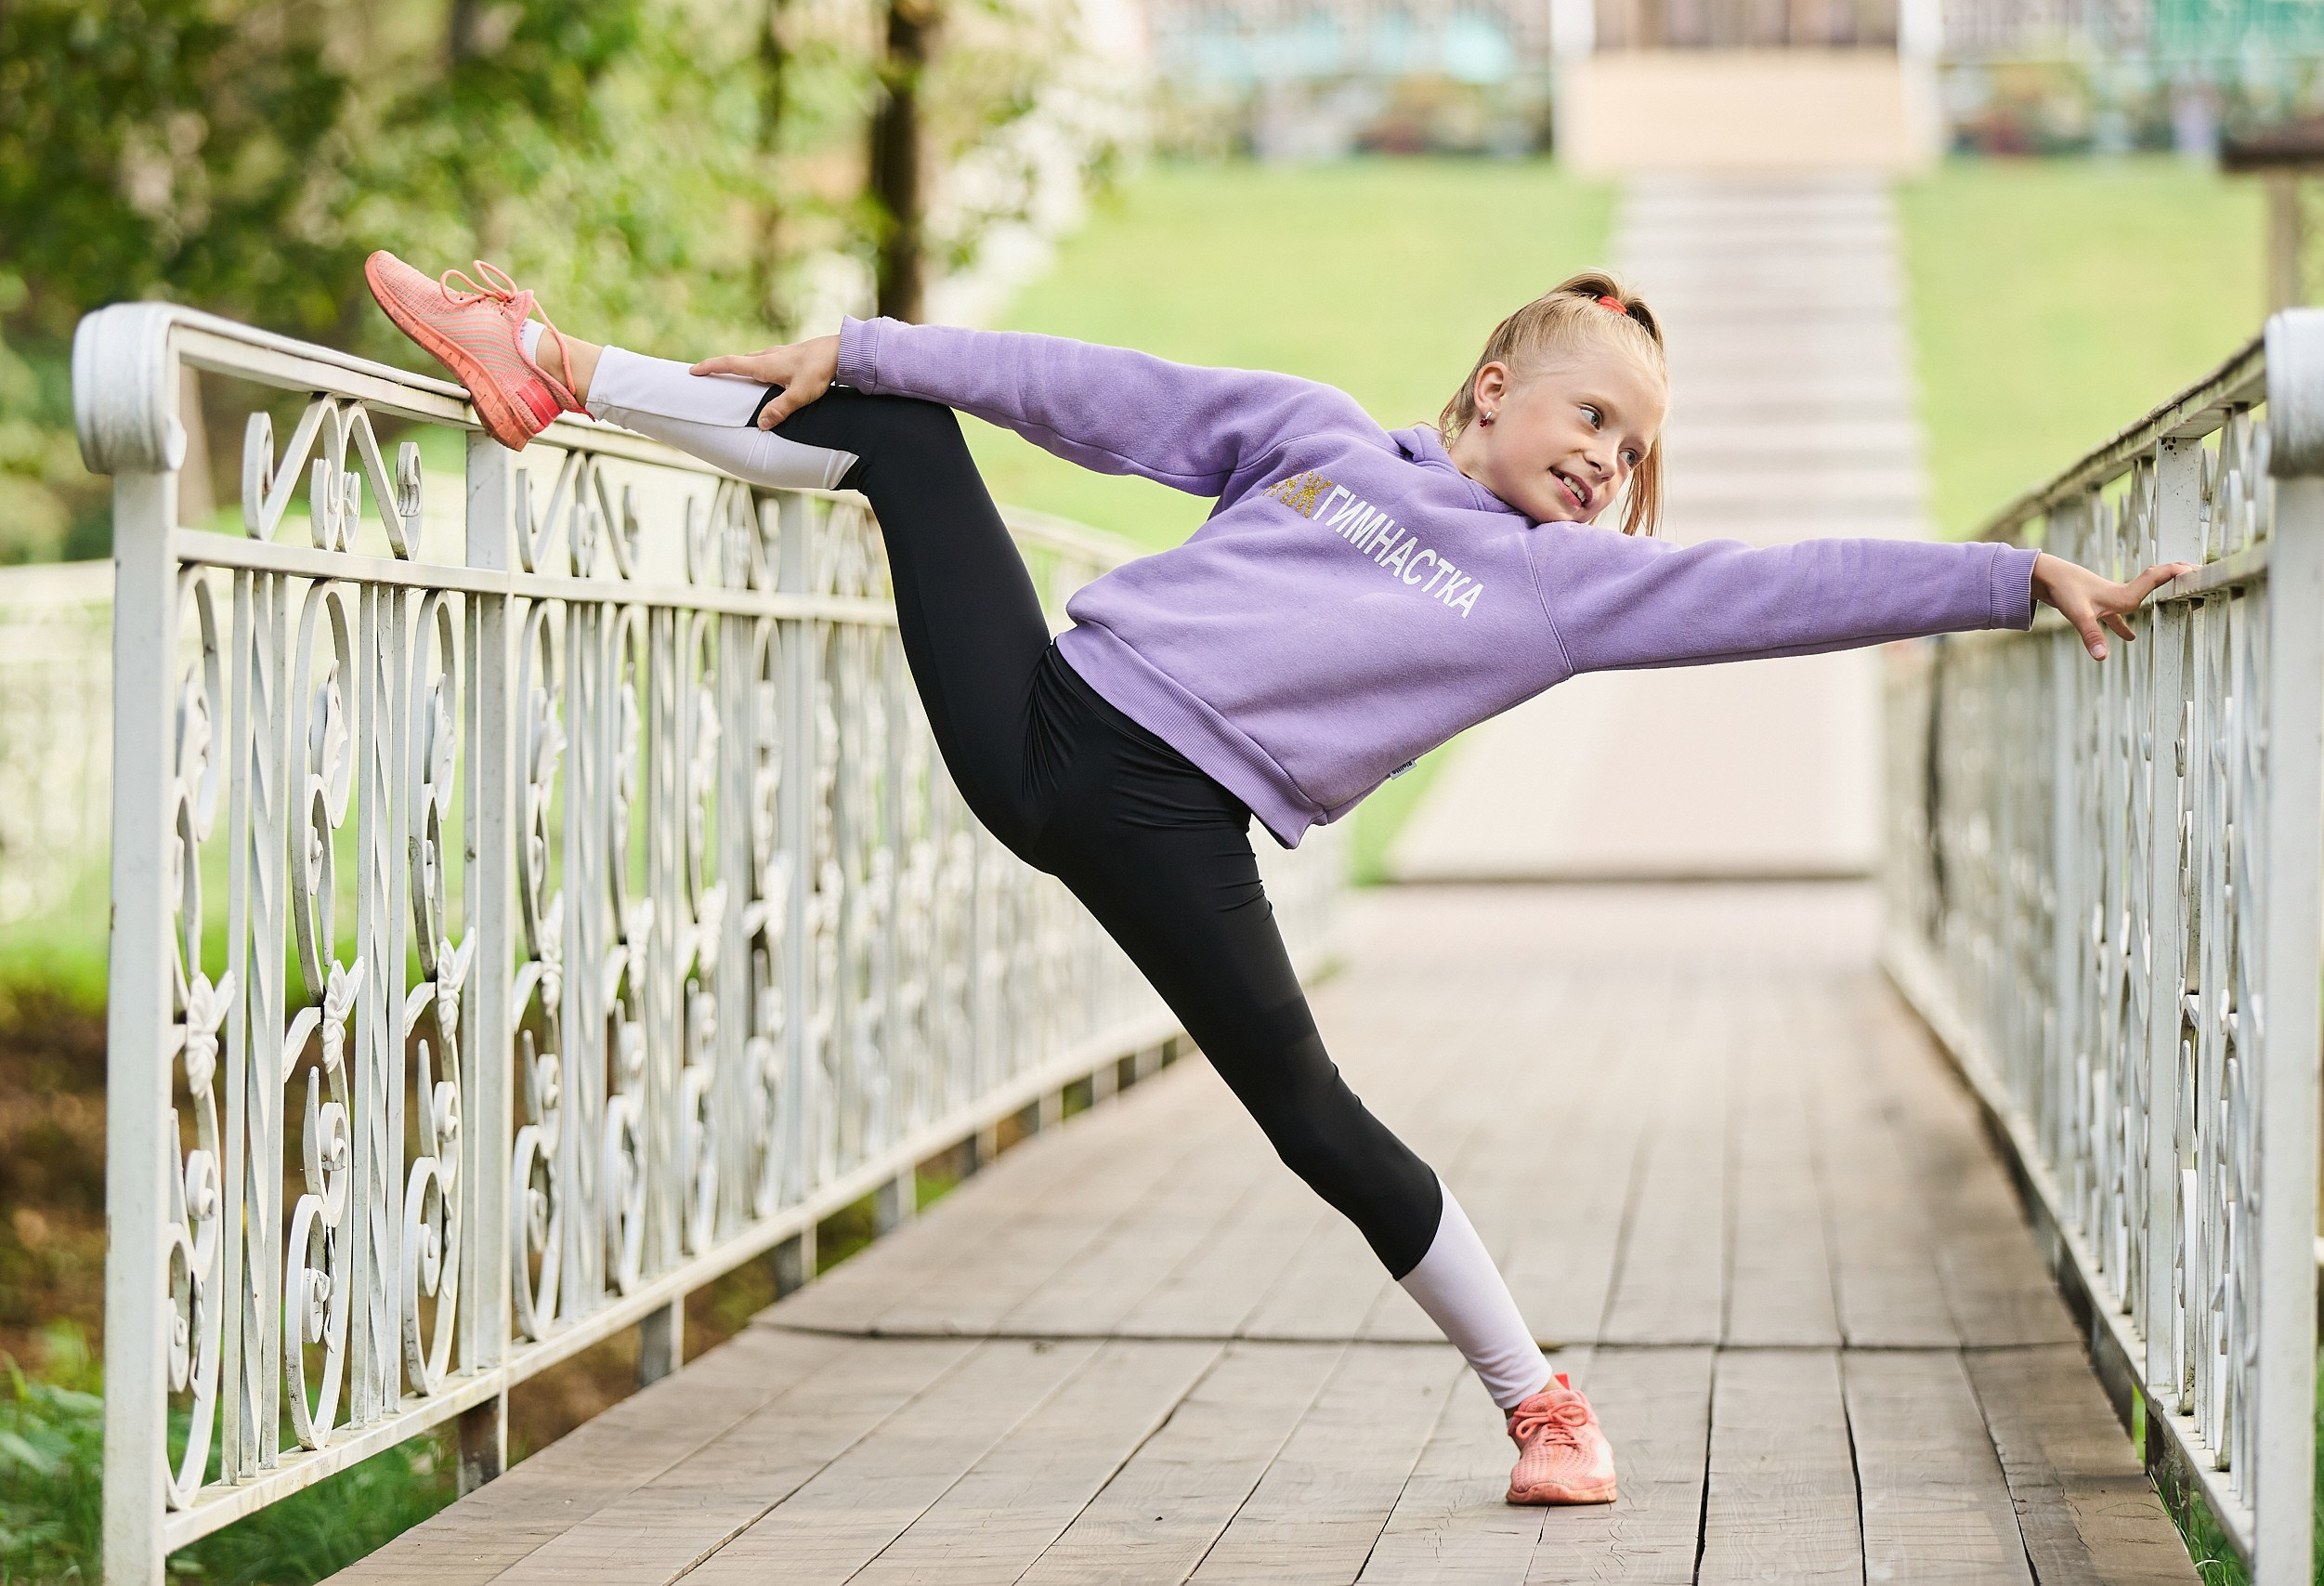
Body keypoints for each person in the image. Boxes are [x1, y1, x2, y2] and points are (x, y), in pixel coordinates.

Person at [364, 251, 2184, 1506]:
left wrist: (2004, 575)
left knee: (1310, 1112)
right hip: (1040, 715)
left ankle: (1538, 1396)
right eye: (1588, 418)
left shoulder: (1565, 589)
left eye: (1634, 452)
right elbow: (1102, 399)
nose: (1607, 462)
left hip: (1174, 824)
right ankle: (562, 372)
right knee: (900, 430)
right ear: (1492, 386)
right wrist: (872, 343)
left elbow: (1783, 586)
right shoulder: (1314, 439)